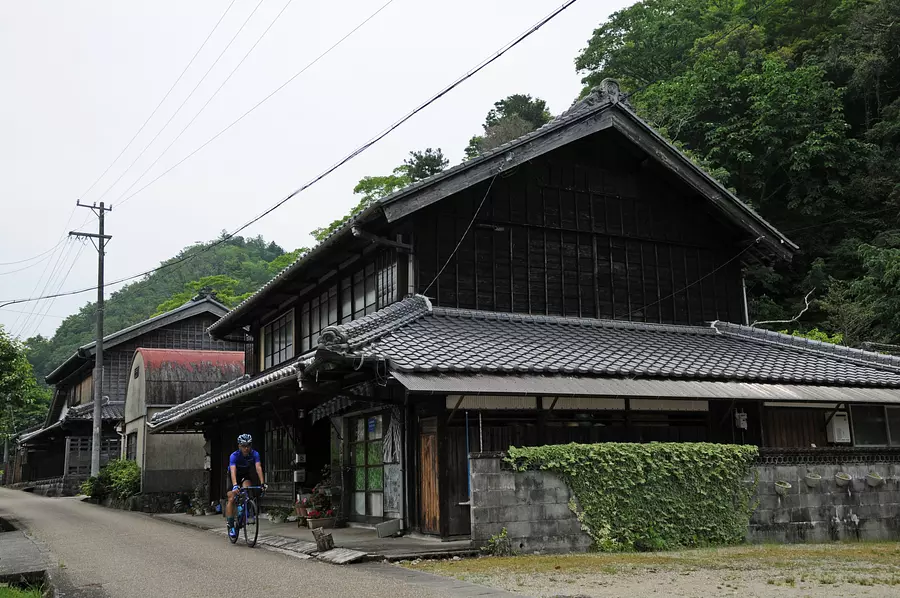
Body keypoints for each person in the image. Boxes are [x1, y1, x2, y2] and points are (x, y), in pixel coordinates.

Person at [226, 434, 267, 538]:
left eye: (248, 445)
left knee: (248, 491)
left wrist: (263, 483)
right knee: (231, 498)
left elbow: (258, 467)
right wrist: (235, 485)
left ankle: (245, 510)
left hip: (245, 475)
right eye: (243, 446)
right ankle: (231, 525)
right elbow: (233, 471)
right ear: (239, 446)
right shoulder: (234, 455)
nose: (246, 448)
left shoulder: (254, 454)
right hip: (233, 476)